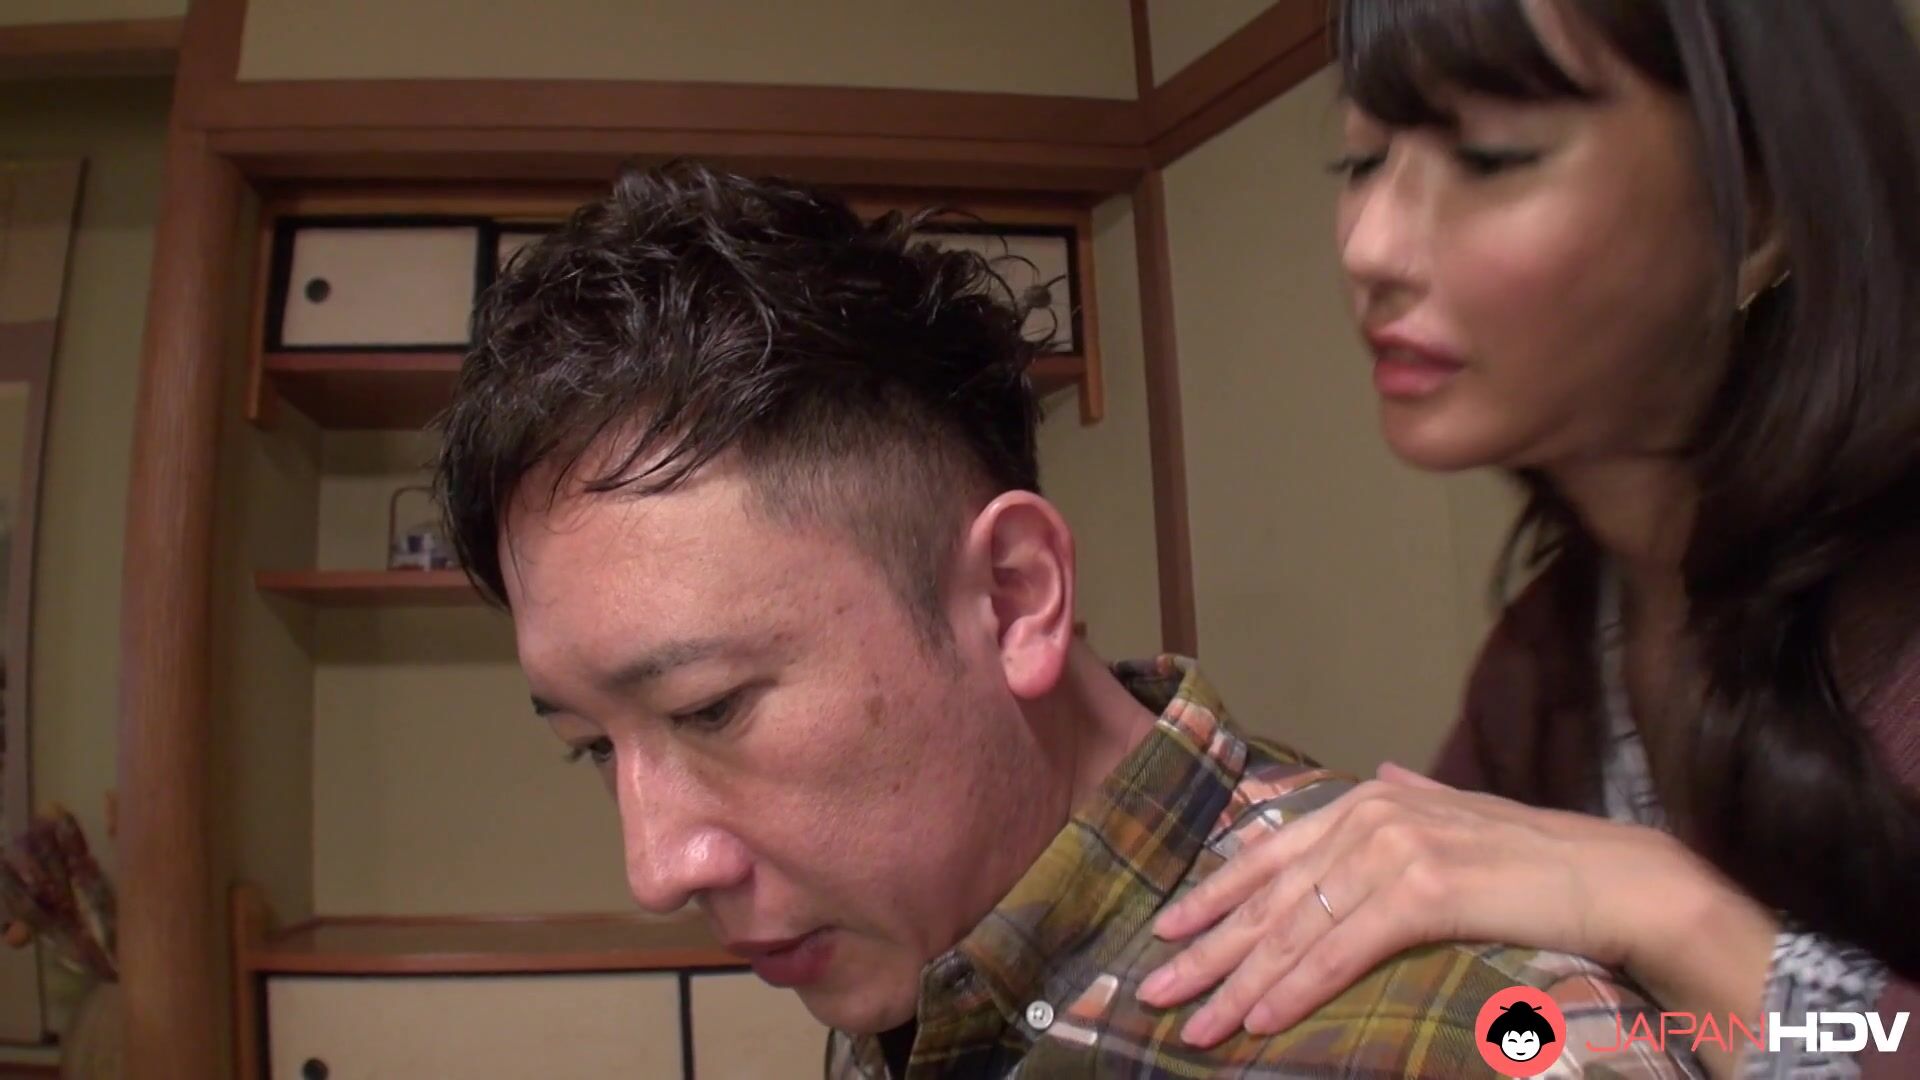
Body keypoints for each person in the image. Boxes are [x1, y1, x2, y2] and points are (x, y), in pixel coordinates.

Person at [432, 163, 1697, 1078]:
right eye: (593, 748)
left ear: (1015, 596)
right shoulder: (918, 963)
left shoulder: (1469, 1036)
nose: (656, 870)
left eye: (709, 709)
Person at [1136, 2, 1920, 1078]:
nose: (1370, 247)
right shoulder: (1551, 656)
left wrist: (1671, 911)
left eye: (1491, 157)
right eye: (1360, 162)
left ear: (1759, 210)